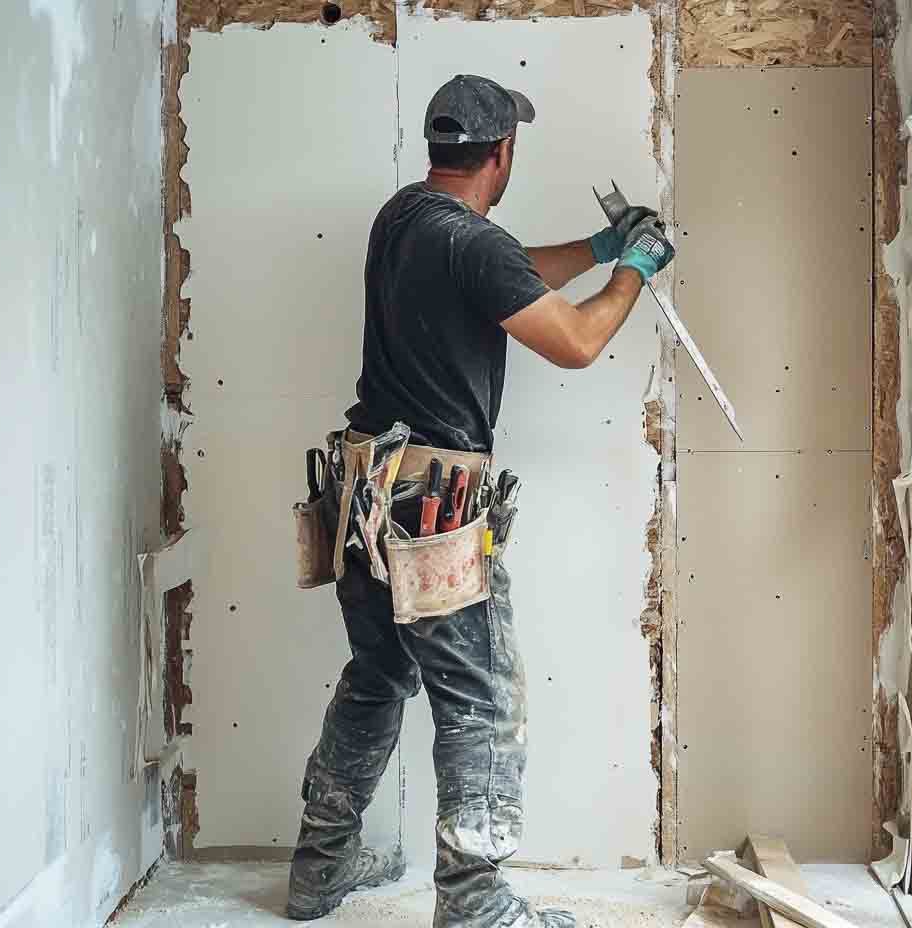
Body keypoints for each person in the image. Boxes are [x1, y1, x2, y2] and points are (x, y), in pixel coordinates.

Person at [286, 74, 674, 925]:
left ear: (440, 148)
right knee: (481, 701)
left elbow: (507, 274)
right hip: (435, 506)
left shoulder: (405, 218)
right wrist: (635, 273)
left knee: (377, 675)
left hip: (362, 496)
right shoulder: (472, 244)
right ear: (502, 154)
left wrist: (601, 247)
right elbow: (572, 340)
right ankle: (476, 905)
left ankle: (318, 867)